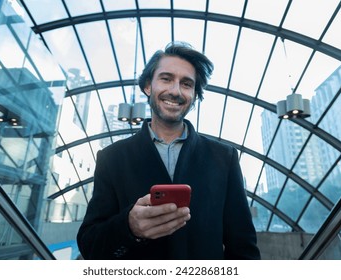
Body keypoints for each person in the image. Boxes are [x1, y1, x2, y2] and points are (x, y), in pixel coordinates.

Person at [77, 42, 261, 260]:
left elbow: (243, 248)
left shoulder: (224, 158)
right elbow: (89, 245)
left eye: (186, 84)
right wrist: (129, 227)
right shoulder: (112, 158)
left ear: (194, 96)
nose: (175, 91)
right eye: (166, 79)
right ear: (148, 86)